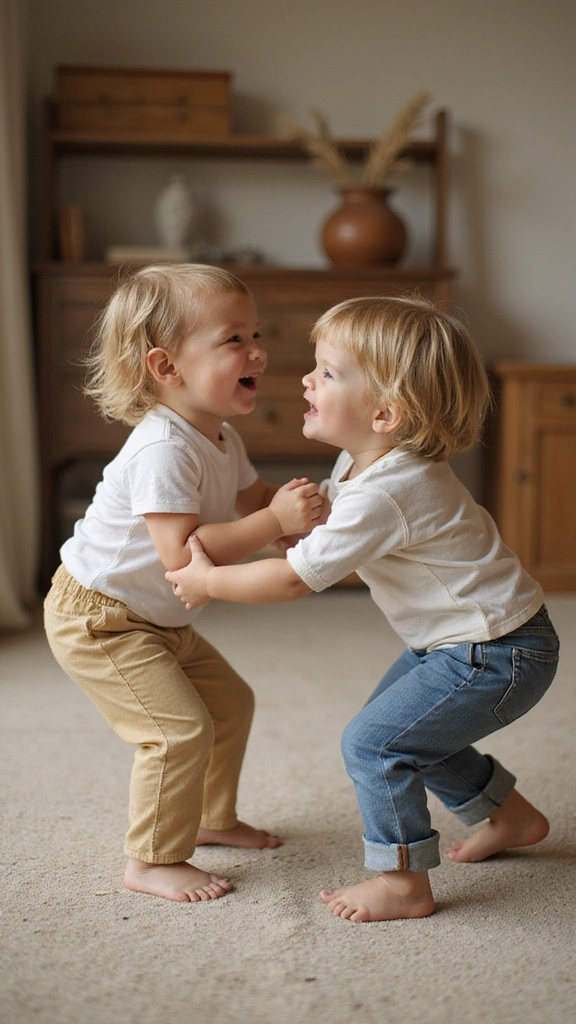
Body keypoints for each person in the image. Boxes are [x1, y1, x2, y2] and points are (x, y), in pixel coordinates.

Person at [166, 294, 560, 922]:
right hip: (474, 642)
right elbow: (320, 533)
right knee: (405, 730)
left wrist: (212, 582)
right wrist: (284, 521)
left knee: (375, 744)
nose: (305, 378)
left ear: (384, 413)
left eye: (326, 372)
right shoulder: (360, 463)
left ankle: (403, 882)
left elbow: (297, 580)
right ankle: (509, 815)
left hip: (493, 653)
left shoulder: (391, 490)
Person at [44, 263, 326, 904]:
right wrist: (270, 522)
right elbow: (183, 553)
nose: (257, 350)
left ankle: (207, 818)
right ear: (167, 368)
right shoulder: (162, 449)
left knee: (230, 705)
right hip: (100, 618)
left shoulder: (219, 436)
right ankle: (150, 860)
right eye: (234, 340)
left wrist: (284, 516)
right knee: (176, 731)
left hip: (158, 618)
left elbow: (247, 495)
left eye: (254, 335)